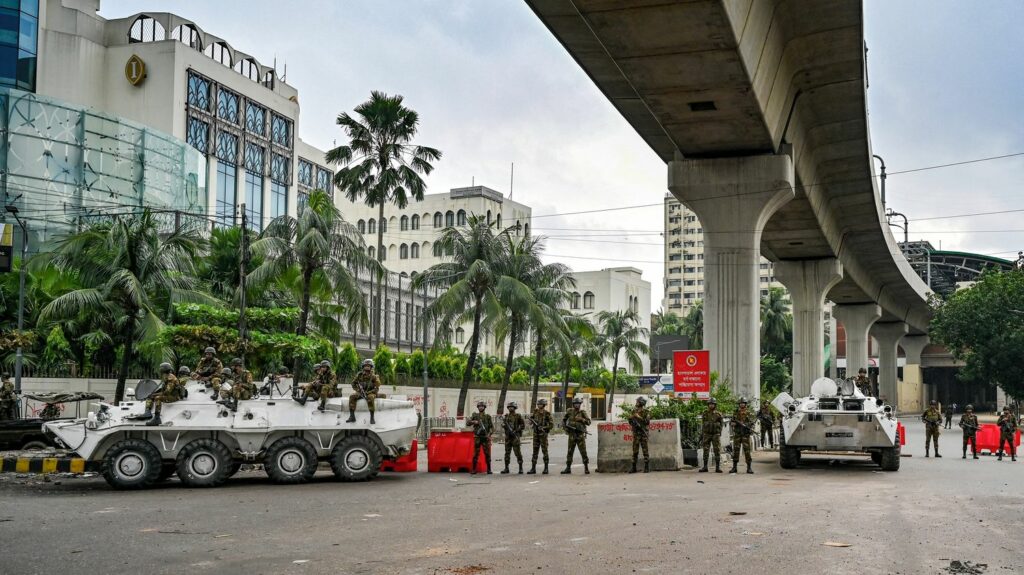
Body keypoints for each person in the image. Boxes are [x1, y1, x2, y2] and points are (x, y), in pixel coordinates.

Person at [145, 362, 183, 426]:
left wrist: (155, 395)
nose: (160, 370)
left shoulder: (171, 378)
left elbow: (167, 392)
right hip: (169, 395)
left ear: (163, 369)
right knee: (151, 396)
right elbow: (163, 390)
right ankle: (147, 413)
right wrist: (153, 394)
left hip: (174, 397)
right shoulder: (166, 377)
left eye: (161, 369)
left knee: (158, 398)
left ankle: (157, 418)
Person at [562, 396, 591, 475]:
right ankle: (568, 468)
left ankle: (586, 468)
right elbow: (564, 420)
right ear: (573, 404)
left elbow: (589, 422)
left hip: (580, 435)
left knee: (583, 452)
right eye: (575, 404)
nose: (577, 405)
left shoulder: (582, 412)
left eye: (578, 404)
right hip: (571, 435)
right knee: (570, 452)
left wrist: (582, 419)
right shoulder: (569, 411)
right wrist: (565, 428)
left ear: (580, 404)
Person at [348, 359, 381, 424]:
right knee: (352, 396)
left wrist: (374, 377)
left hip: (370, 392)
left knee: (370, 398)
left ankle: (372, 417)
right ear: (363, 367)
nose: (367, 367)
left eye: (368, 366)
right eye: (365, 366)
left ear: (371, 367)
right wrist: (357, 390)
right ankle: (352, 416)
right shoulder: (359, 375)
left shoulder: (374, 376)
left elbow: (378, 385)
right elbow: (353, 383)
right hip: (361, 392)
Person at [730, 397, 756, 474]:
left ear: (745, 404)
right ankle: (734, 467)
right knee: (736, 451)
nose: (742, 404)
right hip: (737, 434)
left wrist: (747, 426)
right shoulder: (735, 413)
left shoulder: (749, 413)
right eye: (741, 403)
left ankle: (749, 468)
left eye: (743, 403)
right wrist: (734, 424)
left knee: (747, 451)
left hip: (745, 435)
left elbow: (752, 423)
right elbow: (731, 422)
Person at [527, 398, 554, 475]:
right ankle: (533, 468)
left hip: (543, 435)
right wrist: (530, 422)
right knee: (535, 452)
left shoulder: (547, 414)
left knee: (544, 451)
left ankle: (546, 468)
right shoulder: (535, 412)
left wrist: (543, 428)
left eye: (540, 404)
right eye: (538, 404)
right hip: (536, 435)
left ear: (544, 405)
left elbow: (551, 425)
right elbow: (530, 420)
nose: (539, 405)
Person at [468, 401, 493, 475]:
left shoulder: (488, 416)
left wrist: (489, 434)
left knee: (487, 454)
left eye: (482, 406)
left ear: (484, 407)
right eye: (479, 406)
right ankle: (474, 469)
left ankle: (489, 469)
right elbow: (468, 423)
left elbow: (492, 427)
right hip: (477, 437)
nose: (481, 407)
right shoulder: (475, 415)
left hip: (485, 437)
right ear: (478, 407)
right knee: (475, 454)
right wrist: (474, 422)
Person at [699, 398, 724, 473]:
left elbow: (721, 424)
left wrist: (719, 433)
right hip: (707, 434)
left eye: (712, 404)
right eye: (710, 404)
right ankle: (705, 466)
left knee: (717, 450)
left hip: (715, 434)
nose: (711, 405)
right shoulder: (705, 413)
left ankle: (717, 467)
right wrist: (702, 433)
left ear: (715, 405)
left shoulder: (718, 414)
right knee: (706, 450)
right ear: (708, 405)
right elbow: (703, 424)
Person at [628, 396, 651, 473]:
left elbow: (647, 422)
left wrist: (638, 417)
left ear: (641, 403)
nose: (636, 403)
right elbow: (630, 421)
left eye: (637, 401)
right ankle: (633, 467)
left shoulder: (646, 411)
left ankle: (646, 467)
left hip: (643, 433)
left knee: (645, 450)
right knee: (635, 451)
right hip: (636, 434)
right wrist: (631, 419)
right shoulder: (634, 410)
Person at [501, 401, 525, 474]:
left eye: (512, 407)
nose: (510, 408)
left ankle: (520, 468)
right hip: (508, 437)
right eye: (509, 407)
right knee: (507, 453)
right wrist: (504, 425)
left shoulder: (518, 416)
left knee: (517, 453)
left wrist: (516, 430)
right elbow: (504, 425)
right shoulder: (506, 416)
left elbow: (522, 425)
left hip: (515, 437)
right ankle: (506, 468)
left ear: (515, 408)